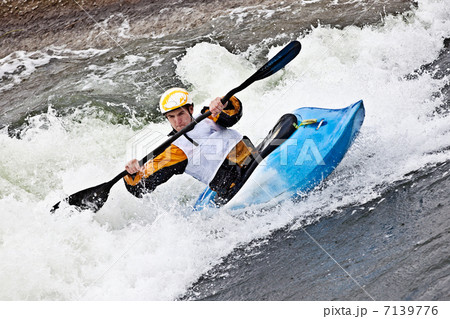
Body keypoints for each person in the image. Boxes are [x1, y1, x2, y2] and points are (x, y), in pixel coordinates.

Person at [124, 87, 257, 201]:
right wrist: (132, 172)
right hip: (233, 186)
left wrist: (224, 102)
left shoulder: (208, 115)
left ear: (191, 109)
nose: (178, 121)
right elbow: (139, 188)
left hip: (254, 160)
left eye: (181, 113)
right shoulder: (174, 150)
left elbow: (233, 113)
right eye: (171, 116)